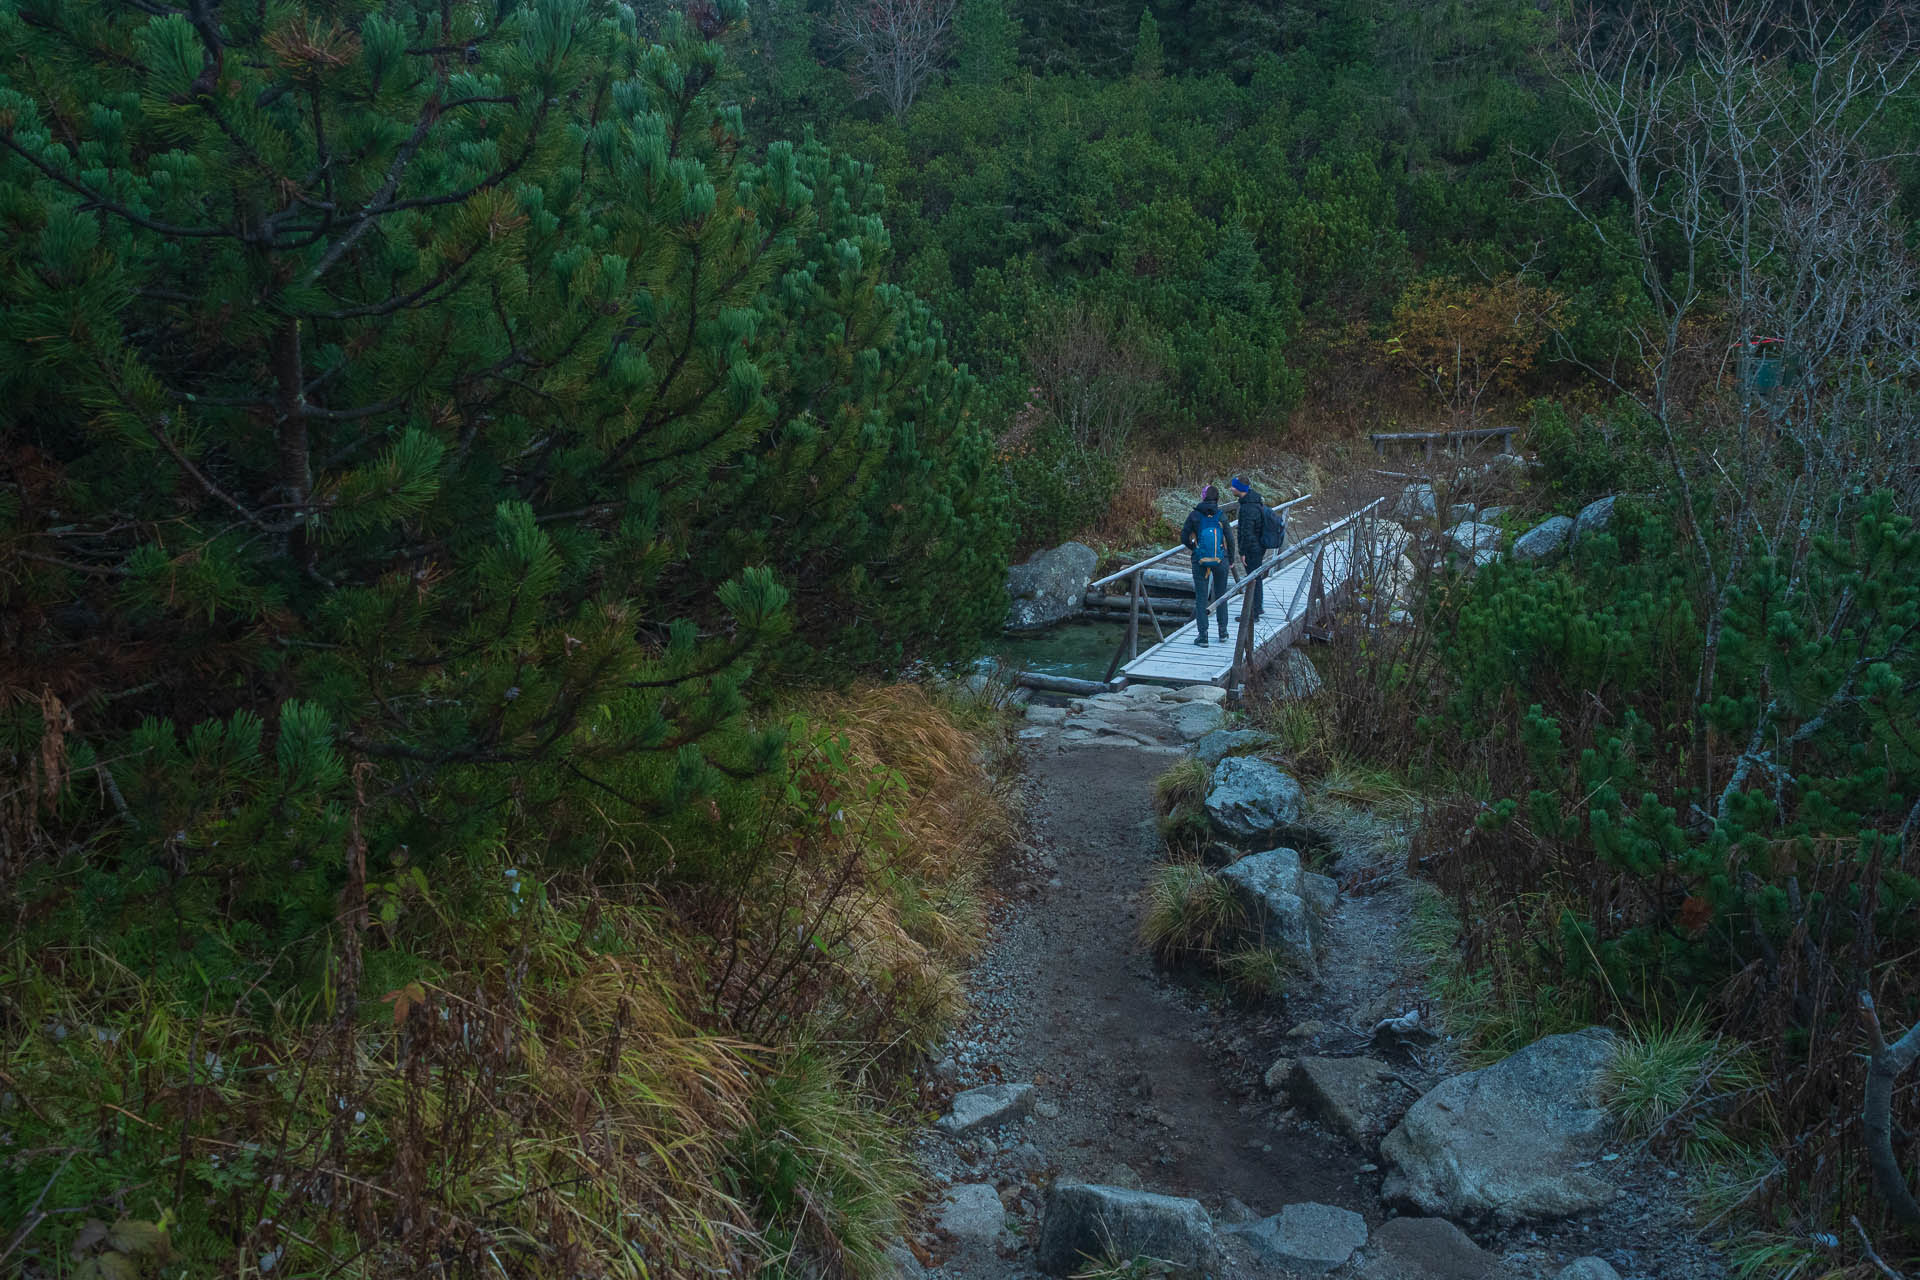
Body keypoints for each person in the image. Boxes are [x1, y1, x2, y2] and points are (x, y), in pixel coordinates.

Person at [1180, 484, 1236, 646]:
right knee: (1221, 595)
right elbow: (1230, 540)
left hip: (1200, 560)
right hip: (1221, 560)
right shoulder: (1221, 516)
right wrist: (1231, 559)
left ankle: (1203, 636)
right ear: (1217, 499)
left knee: (1201, 598)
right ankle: (1223, 632)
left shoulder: (1194, 515)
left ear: (1203, 497)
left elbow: (1184, 537)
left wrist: (1194, 549)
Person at [1229, 475, 1279, 622]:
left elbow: (1247, 532)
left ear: (1240, 489)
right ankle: (1258, 607)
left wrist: (1243, 552)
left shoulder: (1248, 508)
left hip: (1253, 548)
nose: (1231, 488)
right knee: (1256, 576)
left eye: (1233, 486)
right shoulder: (1253, 501)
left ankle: (1253, 613)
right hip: (1259, 546)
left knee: (1252, 579)